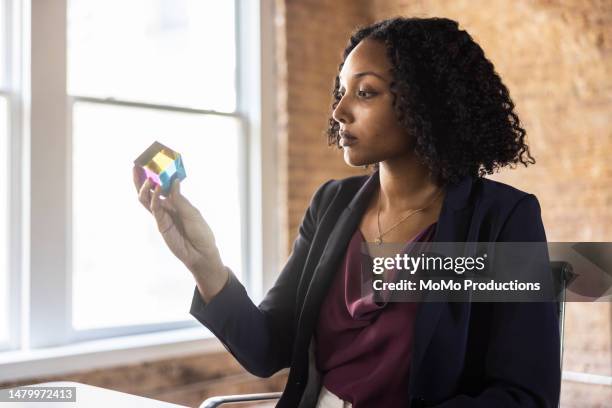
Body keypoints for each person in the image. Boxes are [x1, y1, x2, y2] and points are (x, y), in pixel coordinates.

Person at [133, 17, 561, 408]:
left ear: (426, 103)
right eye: (341, 92)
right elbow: (266, 350)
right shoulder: (331, 204)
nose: (339, 111)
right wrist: (204, 264)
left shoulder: (502, 218)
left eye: (366, 92)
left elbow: (524, 396)